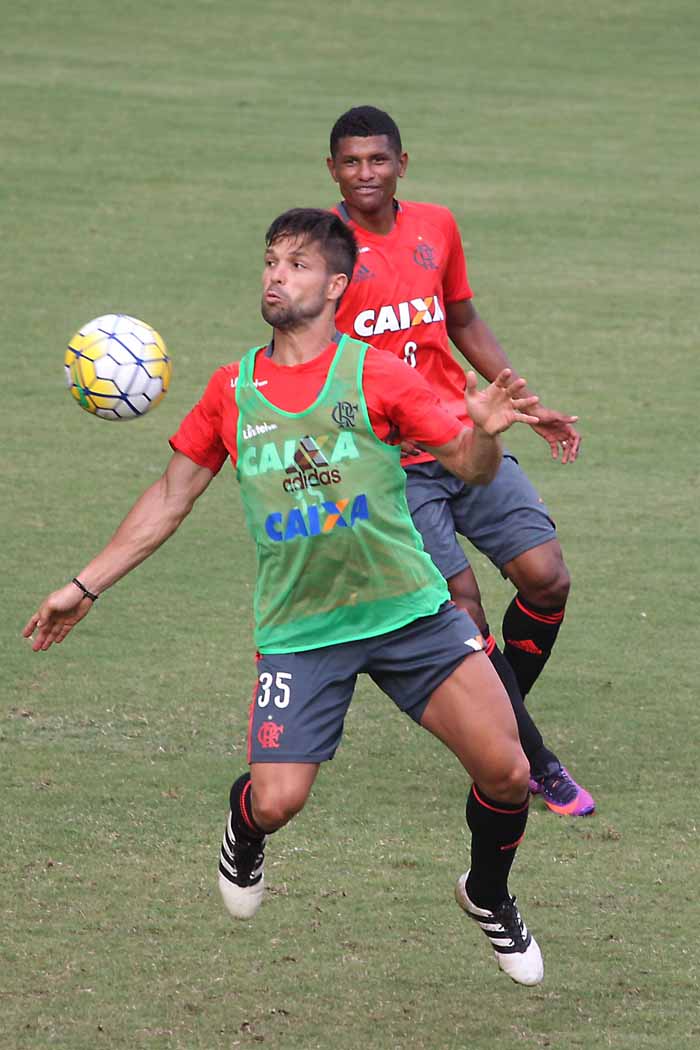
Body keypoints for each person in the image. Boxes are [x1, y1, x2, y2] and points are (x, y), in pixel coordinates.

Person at [24, 208, 546, 986]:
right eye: (271, 261)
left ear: (336, 286)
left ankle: (487, 893)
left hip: (410, 611)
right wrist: (83, 585)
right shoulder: (233, 389)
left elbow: (468, 467)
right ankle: (243, 827)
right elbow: (171, 496)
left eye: (298, 264)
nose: (277, 274)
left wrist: (487, 432)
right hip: (303, 631)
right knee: (276, 801)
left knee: (507, 773)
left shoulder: (374, 373)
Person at [327, 106, 595, 817]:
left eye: (377, 160)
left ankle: (493, 715)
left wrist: (524, 402)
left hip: (464, 439)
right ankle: (535, 760)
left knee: (547, 578)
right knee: (464, 614)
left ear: (401, 164)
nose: (365, 174)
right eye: (351, 163)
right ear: (332, 171)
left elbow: (463, 319)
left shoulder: (436, 227)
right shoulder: (322, 250)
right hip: (390, 466)